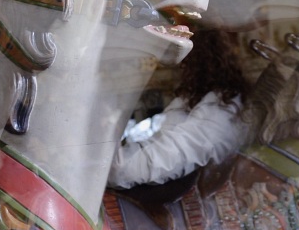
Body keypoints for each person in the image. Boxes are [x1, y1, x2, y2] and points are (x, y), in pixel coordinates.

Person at [107, 27, 250, 190]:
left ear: (194, 63)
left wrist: (110, 162)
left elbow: (144, 165)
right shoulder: (198, 98)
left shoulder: (221, 112)